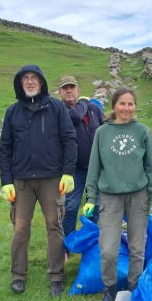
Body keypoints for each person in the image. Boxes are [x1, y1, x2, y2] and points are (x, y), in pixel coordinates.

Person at [83, 87, 152, 301]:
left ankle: (134, 288)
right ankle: (109, 290)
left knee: (137, 247)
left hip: (138, 195)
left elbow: (151, 166)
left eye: (131, 104)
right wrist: (91, 197)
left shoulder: (142, 131)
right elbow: (94, 167)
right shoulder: (102, 132)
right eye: (122, 104)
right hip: (109, 197)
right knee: (108, 249)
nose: (127, 108)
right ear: (114, 106)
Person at [0, 64, 78, 297]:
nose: (30, 82)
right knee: (20, 227)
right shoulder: (12, 112)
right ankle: (18, 275)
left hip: (52, 179)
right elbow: (5, 148)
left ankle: (56, 275)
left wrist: (68, 172)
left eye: (34, 78)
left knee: (54, 226)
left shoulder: (56, 108)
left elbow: (69, 139)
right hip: (21, 181)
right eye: (26, 79)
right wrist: (6, 181)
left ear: (42, 82)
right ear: (20, 83)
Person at [57, 76, 104, 241]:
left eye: (72, 87)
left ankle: (90, 243)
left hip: (96, 167)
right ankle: (66, 246)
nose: (69, 91)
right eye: (65, 88)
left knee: (96, 206)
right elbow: (75, 116)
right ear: (60, 92)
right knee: (71, 207)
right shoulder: (60, 111)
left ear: (78, 90)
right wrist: (84, 102)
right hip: (73, 169)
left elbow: (104, 130)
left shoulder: (94, 109)